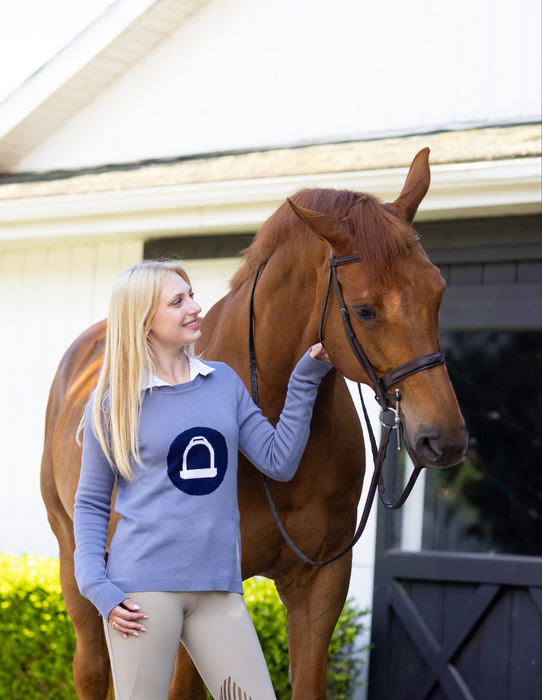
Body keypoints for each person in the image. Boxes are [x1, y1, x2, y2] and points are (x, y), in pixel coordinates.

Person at [73, 258, 332, 700]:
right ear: (144, 321)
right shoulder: (113, 402)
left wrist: (305, 378)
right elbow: (92, 503)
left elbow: (279, 460)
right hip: (141, 595)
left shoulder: (223, 384)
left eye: (190, 294)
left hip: (218, 590)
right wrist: (97, 587)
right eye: (178, 301)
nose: (195, 307)